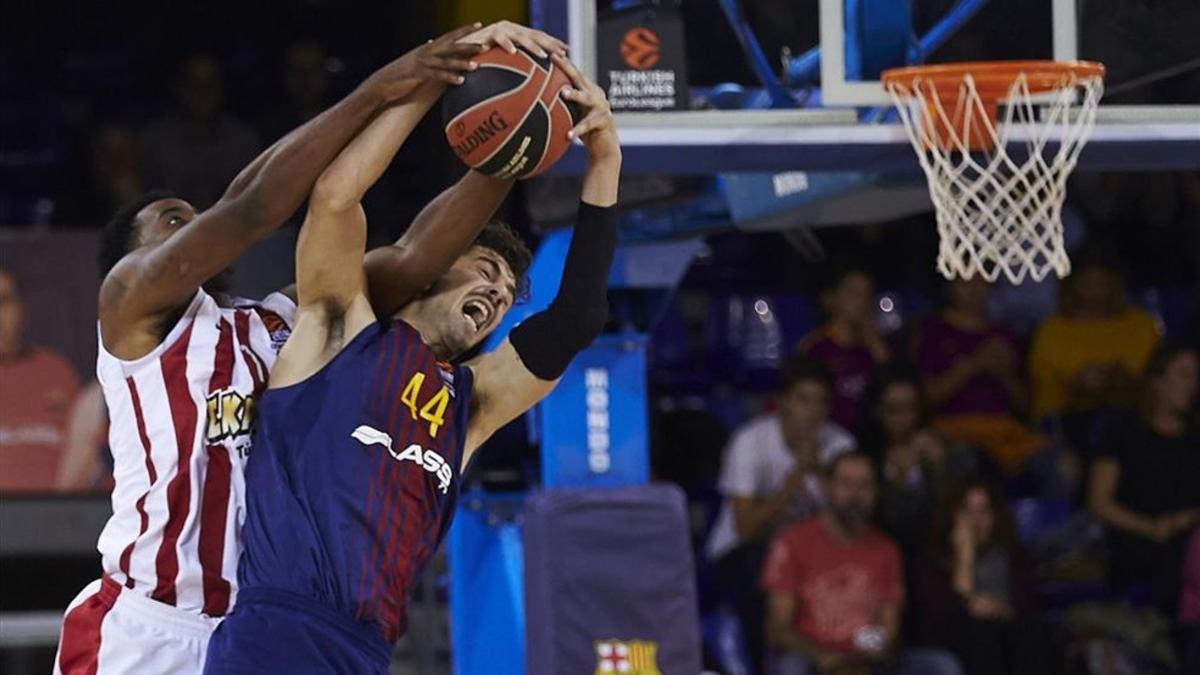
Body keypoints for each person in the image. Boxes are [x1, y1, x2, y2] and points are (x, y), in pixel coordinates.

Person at [54, 23, 568, 675]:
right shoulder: (130, 307)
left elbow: (414, 259)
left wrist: (508, 150)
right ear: (132, 257)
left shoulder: (280, 322)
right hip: (149, 626)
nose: (192, 228)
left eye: (192, 216)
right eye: (173, 222)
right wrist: (390, 86)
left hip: (254, 631)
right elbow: (249, 206)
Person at [202, 53, 619, 673]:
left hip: (367, 651)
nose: (497, 296)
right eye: (485, 272)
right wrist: (428, 82)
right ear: (431, 273)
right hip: (279, 631)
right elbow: (337, 197)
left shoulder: (469, 405)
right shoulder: (340, 329)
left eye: (506, 297)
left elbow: (578, 318)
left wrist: (605, 160)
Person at [706, 355, 856, 673]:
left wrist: (822, 476)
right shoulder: (750, 442)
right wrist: (795, 481)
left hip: (811, 556)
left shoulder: (841, 444)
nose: (812, 412)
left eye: (820, 402)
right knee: (761, 562)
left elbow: (851, 521)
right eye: (803, 400)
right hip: (739, 555)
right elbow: (745, 528)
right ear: (783, 402)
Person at [761, 452, 961, 675]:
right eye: (846, 484)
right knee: (791, 668)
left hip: (866, 659)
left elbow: (890, 627)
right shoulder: (793, 541)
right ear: (828, 488)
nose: (855, 494)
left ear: (876, 492)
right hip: (813, 658)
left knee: (941, 666)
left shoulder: (886, 549)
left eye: (864, 485)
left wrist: (874, 652)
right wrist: (824, 657)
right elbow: (777, 628)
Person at [1087, 344, 1200, 615]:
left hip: (1189, 533)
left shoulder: (1196, 435)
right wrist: (1151, 527)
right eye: (1184, 374)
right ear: (1158, 381)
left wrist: (1185, 520)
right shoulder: (1122, 429)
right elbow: (1099, 502)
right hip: (1135, 535)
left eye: (1196, 376)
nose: (1193, 384)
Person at [914, 277, 1043, 477]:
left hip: (1002, 432)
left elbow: (1025, 405)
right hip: (951, 430)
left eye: (981, 281)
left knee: (1057, 462)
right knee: (965, 459)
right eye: (965, 282)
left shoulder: (1006, 336)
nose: (974, 288)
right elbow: (926, 399)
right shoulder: (933, 331)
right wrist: (974, 364)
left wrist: (1005, 374)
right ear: (951, 286)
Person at [917, 480, 1048, 675]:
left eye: (983, 511)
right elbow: (944, 616)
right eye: (967, 512)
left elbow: (1025, 604)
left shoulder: (1012, 557)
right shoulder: (933, 562)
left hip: (1009, 634)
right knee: (979, 630)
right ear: (953, 516)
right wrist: (965, 556)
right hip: (960, 639)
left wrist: (1000, 610)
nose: (976, 520)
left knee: (1032, 631)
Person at [1029, 252, 1160, 423]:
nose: (1095, 292)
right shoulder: (1051, 331)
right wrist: (1075, 387)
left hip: (1134, 424)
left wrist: (1125, 383)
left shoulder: (1142, 325)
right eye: (1087, 283)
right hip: (1067, 427)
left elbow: (1160, 386)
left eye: (1102, 283)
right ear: (1071, 285)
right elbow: (1041, 401)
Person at [857, 366, 965, 564]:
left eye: (910, 408)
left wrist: (940, 468)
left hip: (931, 557)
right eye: (893, 409)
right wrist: (896, 483)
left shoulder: (939, 448)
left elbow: (953, 514)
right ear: (877, 410)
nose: (903, 418)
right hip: (877, 558)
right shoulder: (864, 456)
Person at [139, 54, 262, 209]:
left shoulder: (243, 141)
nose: (202, 93)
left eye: (209, 85)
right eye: (194, 85)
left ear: (222, 88)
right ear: (180, 88)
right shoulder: (157, 140)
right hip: (171, 229)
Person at [0, 268, 82, 492]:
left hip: (59, 517)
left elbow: (90, 454)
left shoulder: (56, 372)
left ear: (21, 310)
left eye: (4, 302)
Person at [798, 266, 890, 431]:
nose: (862, 302)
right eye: (853, 293)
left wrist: (876, 345)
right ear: (831, 299)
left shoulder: (878, 344)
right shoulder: (816, 346)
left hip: (873, 435)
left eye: (867, 294)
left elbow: (894, 392)